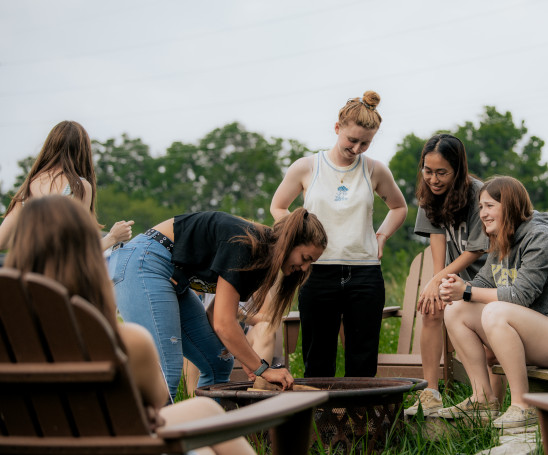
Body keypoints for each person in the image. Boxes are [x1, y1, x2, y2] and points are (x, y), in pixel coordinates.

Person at [4, 195, 256, 455]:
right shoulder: (125, 342)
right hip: (107, 443)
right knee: (202, 447)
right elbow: (157, 398)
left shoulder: (10, 343)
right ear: (90, 262)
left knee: (204, 409)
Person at [109, 206, 327, 398]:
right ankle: (157, 441)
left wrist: (248, 359)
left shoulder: (261, 261)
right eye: (305, 258)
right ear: (290, 243)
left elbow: (215, 315)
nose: (306, 268)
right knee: (167, 371)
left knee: (217, 362)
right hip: (144, 263)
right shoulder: (247, 244)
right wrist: (262, 369)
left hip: (174, 278)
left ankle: (204, 433)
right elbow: (224, 324)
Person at [270, 90, 407, 377]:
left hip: (365, 273)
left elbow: (399, 207)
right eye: (352, 140)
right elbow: (278, 207)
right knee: (317, 358)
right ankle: (323, 419)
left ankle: (359, 419)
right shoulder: (307, 167)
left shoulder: (375, 170)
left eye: (365, 143)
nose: (357, 148)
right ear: (337, 129)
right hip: (317, 272)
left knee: (363, 357)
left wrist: (381, 236)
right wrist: (300, 235)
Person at [437, 176, 548, 429]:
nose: (483, 214)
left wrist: (466, 291)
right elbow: (481, 286)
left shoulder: (541, 238)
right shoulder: (501, 242)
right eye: (481, 207)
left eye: (489, 206)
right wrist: (456, 288)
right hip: (532, 335)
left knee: (496, 311)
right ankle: (482, 398)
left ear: (509, 205)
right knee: (456, 310)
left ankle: (522, 405)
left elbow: (521, 296)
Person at [404, 134, 490, 416]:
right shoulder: (429, 195)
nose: (434, 179)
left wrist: (436, 279)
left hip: (487, 278)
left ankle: (485, 398)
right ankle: (430, 393)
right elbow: (437, 239)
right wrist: (436, 283)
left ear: (458, 170)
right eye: (428, 171)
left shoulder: (479, 194)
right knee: (431, 309)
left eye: (442, 172)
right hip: (457, 276)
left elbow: (476, 250)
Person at [0, 120, 133, 252]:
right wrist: (113, 237)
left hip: (24, 270)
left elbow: (2, 241)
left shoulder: (28, 186)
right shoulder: (78, 187)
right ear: (83, 151)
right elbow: (79, 253)